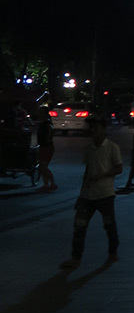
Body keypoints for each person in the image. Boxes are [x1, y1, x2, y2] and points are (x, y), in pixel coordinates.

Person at [66, 115, 123, 265]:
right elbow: (87, 171)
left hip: (105, 194)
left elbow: (119, 168)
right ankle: (76, 257)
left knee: (109, 225)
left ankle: (113, 252)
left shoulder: (112, 147)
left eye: (96, 127)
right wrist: (80, 194)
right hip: (88, 195)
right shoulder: (89, 149)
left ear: (103, 129)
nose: (93, 131)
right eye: (91, 127)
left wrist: (103, 175)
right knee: (79, 225)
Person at [35, 107, 56, 193]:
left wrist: (47, 139)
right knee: (42, 167)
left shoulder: (47, 122)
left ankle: (52, 184)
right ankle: (46, 184)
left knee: (43, 166)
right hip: (44, 146)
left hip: (47, 147)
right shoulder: (45, 122)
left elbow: (51, 130)